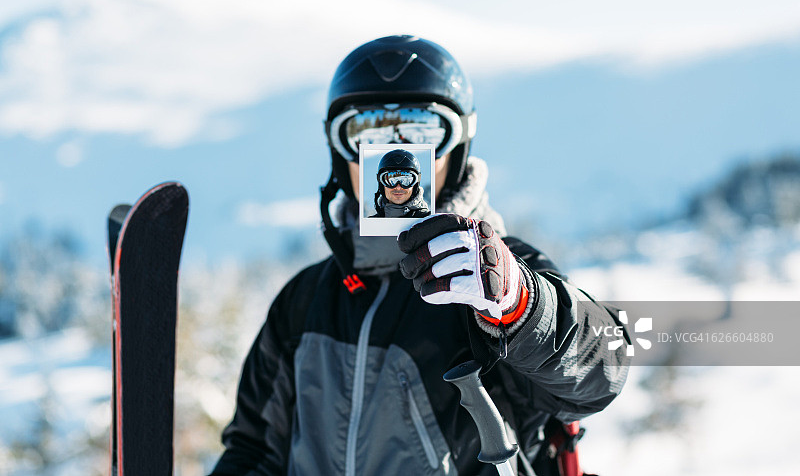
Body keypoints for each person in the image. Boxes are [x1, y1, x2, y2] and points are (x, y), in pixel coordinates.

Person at [209, 35, 631, 476]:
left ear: (457, 146)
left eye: (421, 132)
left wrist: (519, 306)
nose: (394, 154)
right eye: (366, 132)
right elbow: (254, 450)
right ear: (340, 154)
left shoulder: (505, 276)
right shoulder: (305, 300)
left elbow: (603, 372)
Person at [372, 148, 431, 218]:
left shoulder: (429, 221)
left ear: (415, 184)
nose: (398, 187)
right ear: (381, 184)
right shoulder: (371, 224)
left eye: (406, 181)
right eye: (391, 181)